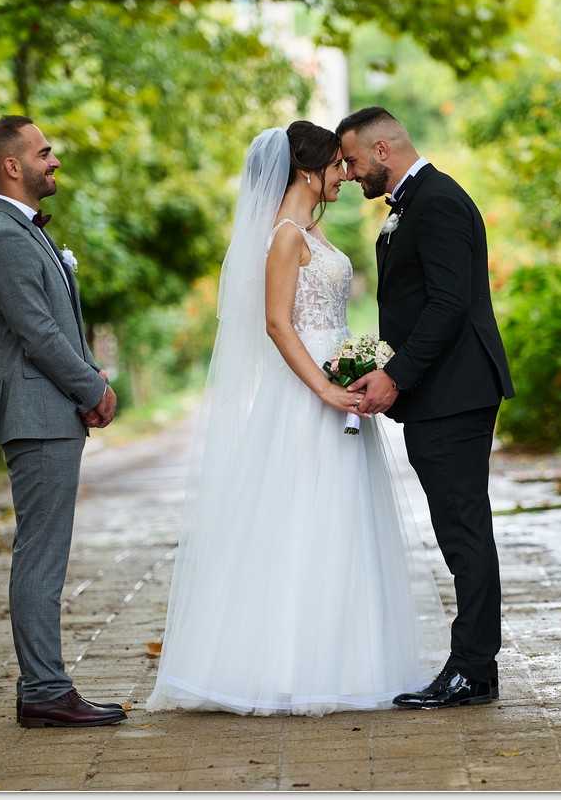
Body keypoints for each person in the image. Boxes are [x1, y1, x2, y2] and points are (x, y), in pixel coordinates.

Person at [145, 121, 447, 716]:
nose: (344, 175)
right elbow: (278, 325)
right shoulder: (284, 235)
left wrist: (357, 361)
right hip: (306, 397)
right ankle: (285, 666)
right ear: (307, 171)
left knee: (345, 521)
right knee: (302, 519)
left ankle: (350, 659)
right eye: (336, 165)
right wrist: (325, 390)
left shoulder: (312, 230)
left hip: (338, 386)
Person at [336, 107, 515, 709]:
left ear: (382, 150)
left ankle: (472, 669)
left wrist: (395, 375)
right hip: (443, 394)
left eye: (353, 161)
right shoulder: (417, 202)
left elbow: (448, 305)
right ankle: (476, 667)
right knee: (459, 528)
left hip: (453, 393)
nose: (350, 174)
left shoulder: (437, 201)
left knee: (464, 530)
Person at [0, 115, 127, 727]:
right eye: (43, 152)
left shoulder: (22, 231)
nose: (54, 160)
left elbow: (59, 323)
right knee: (41, 554)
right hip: (36, 415)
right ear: (13, 166)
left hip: (51, 410)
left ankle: (43, 687)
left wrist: (90, 378)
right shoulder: (4, 238)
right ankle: (44, 690)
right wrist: (92, 388)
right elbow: (36, 333)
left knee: (45, 551)